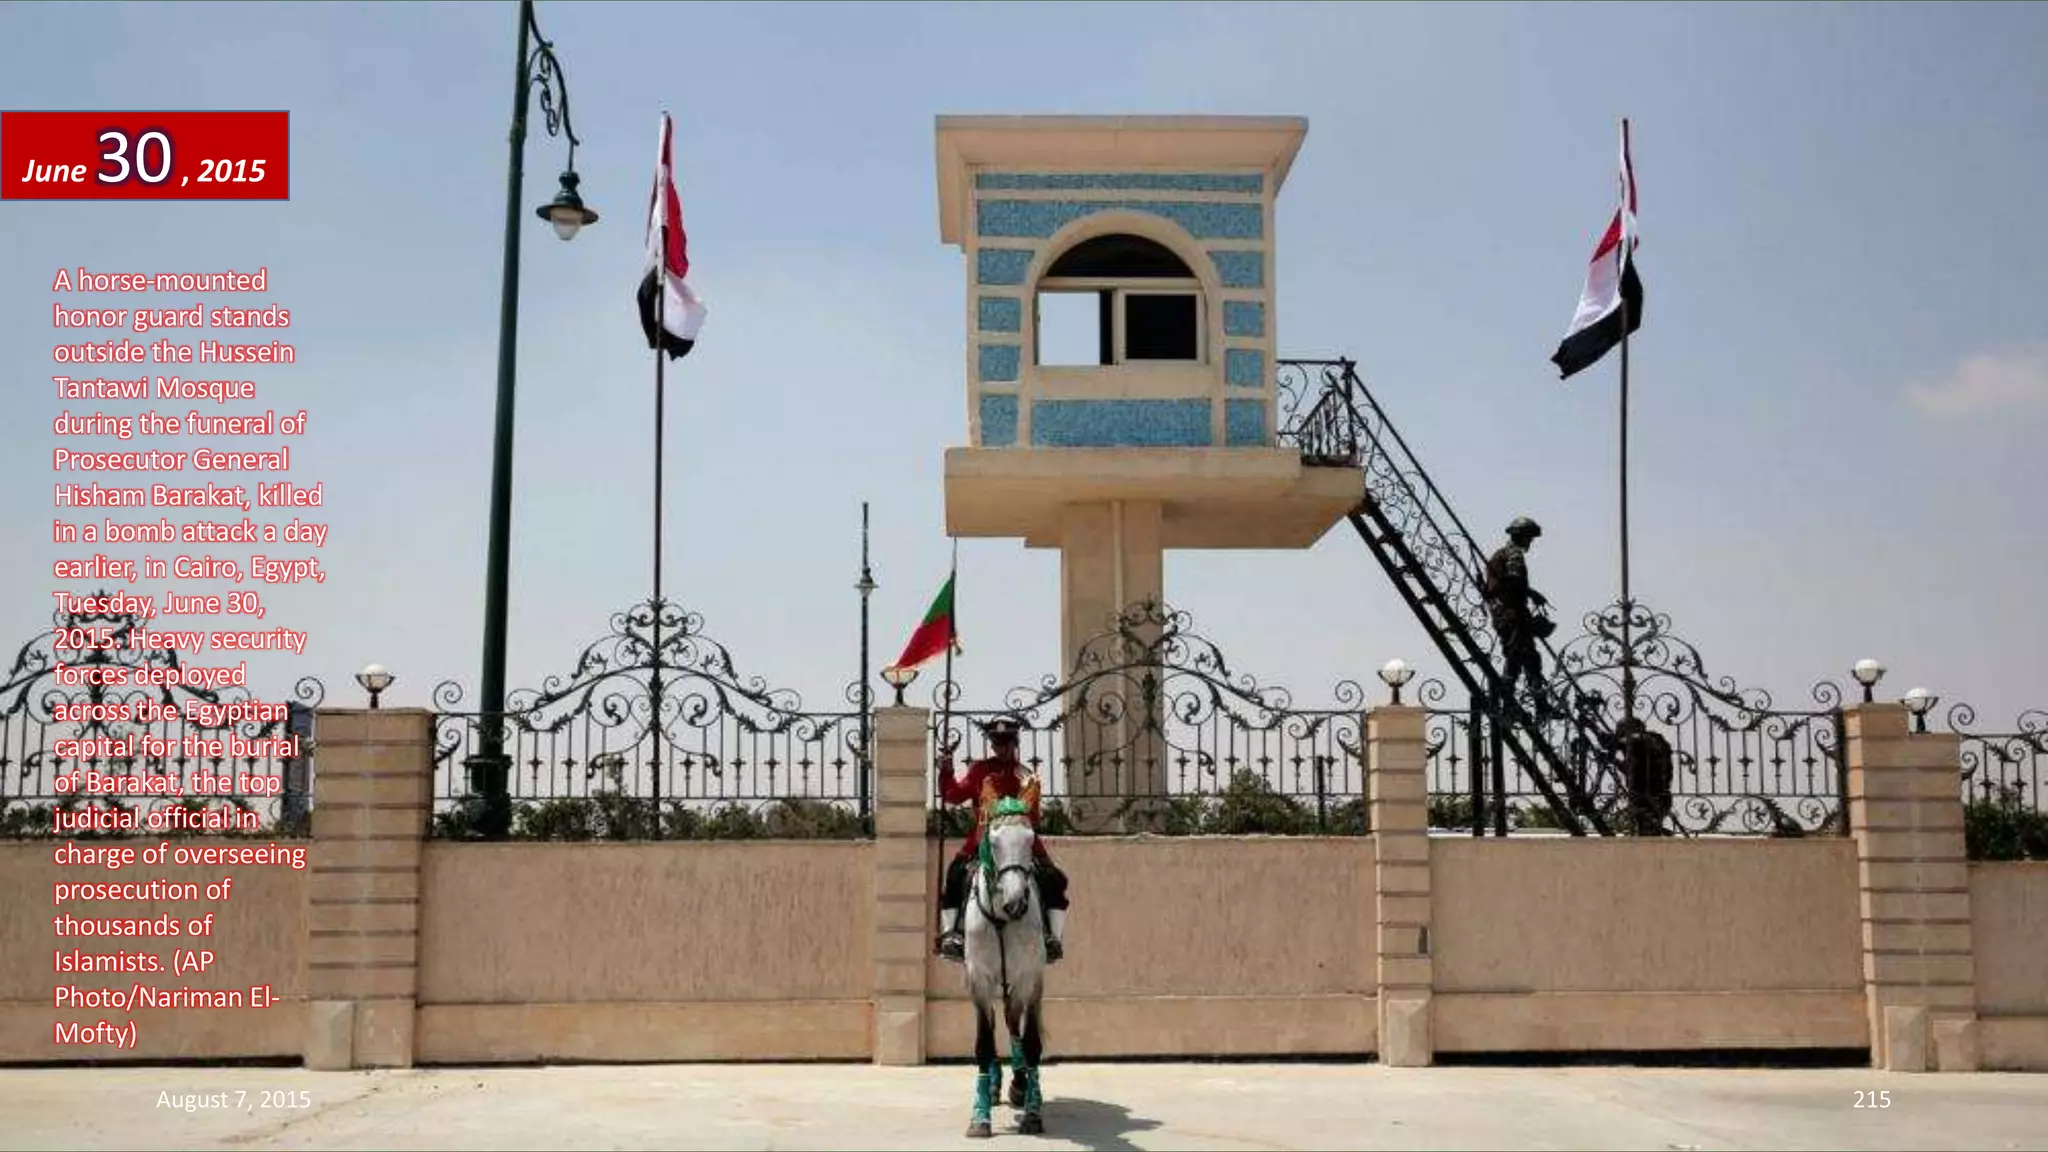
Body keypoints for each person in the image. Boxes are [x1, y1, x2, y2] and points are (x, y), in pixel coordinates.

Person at [934, 716, 1070, 964]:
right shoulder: (979, 771)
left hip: (1019, 844)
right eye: (996, 741)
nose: (1001, 746)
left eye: (1006, 741)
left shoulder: (1027, 776)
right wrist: (946, 770)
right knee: (954, 876)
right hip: (981, 842)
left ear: (1014, 742)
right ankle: (951, 934)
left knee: (1054, 880)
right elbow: (952, 796)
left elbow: (1032, 816)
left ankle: (1053, 938)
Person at [1483, 516, 1551, 709]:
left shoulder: (1499, 554)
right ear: (1521, 536)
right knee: (1523, 658)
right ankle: (1526, 704)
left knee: (1521, 658)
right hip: (1513, 616)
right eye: (1529, 537)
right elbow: (1514, 581)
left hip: (1503, 616)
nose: (1530, 542)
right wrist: (1532, 593)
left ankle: (1520, 704)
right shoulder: (1514, 555)